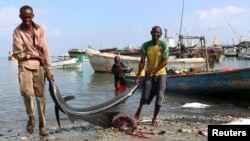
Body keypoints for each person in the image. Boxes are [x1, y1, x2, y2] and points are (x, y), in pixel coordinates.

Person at [12, 5, 54, 136]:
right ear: (20, 17)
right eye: (24, 18)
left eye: (29, 17)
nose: (26, 20)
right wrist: (34, 56)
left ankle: (42, 124)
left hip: (39, 66)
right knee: (26, 93)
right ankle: (31, 117)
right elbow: (17, 53)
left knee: (41, 96)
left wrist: (49, 70)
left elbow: (45, 50)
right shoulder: (17, 31)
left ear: (33, 16)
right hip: (24, 65)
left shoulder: (39, 28)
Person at [134, 26, 168, 127]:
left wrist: (154, 71)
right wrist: (138, 76)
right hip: (149, 75)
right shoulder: (145, 45)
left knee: (160, 96)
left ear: (161, 34)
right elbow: (142, 62)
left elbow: (165, 61)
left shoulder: (164, 44)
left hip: (161, 74)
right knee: (145, 97)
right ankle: (138, 112)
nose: (156, 34)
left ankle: (154, 119)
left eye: (158, 32)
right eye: (154, 32)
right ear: (151, 33)